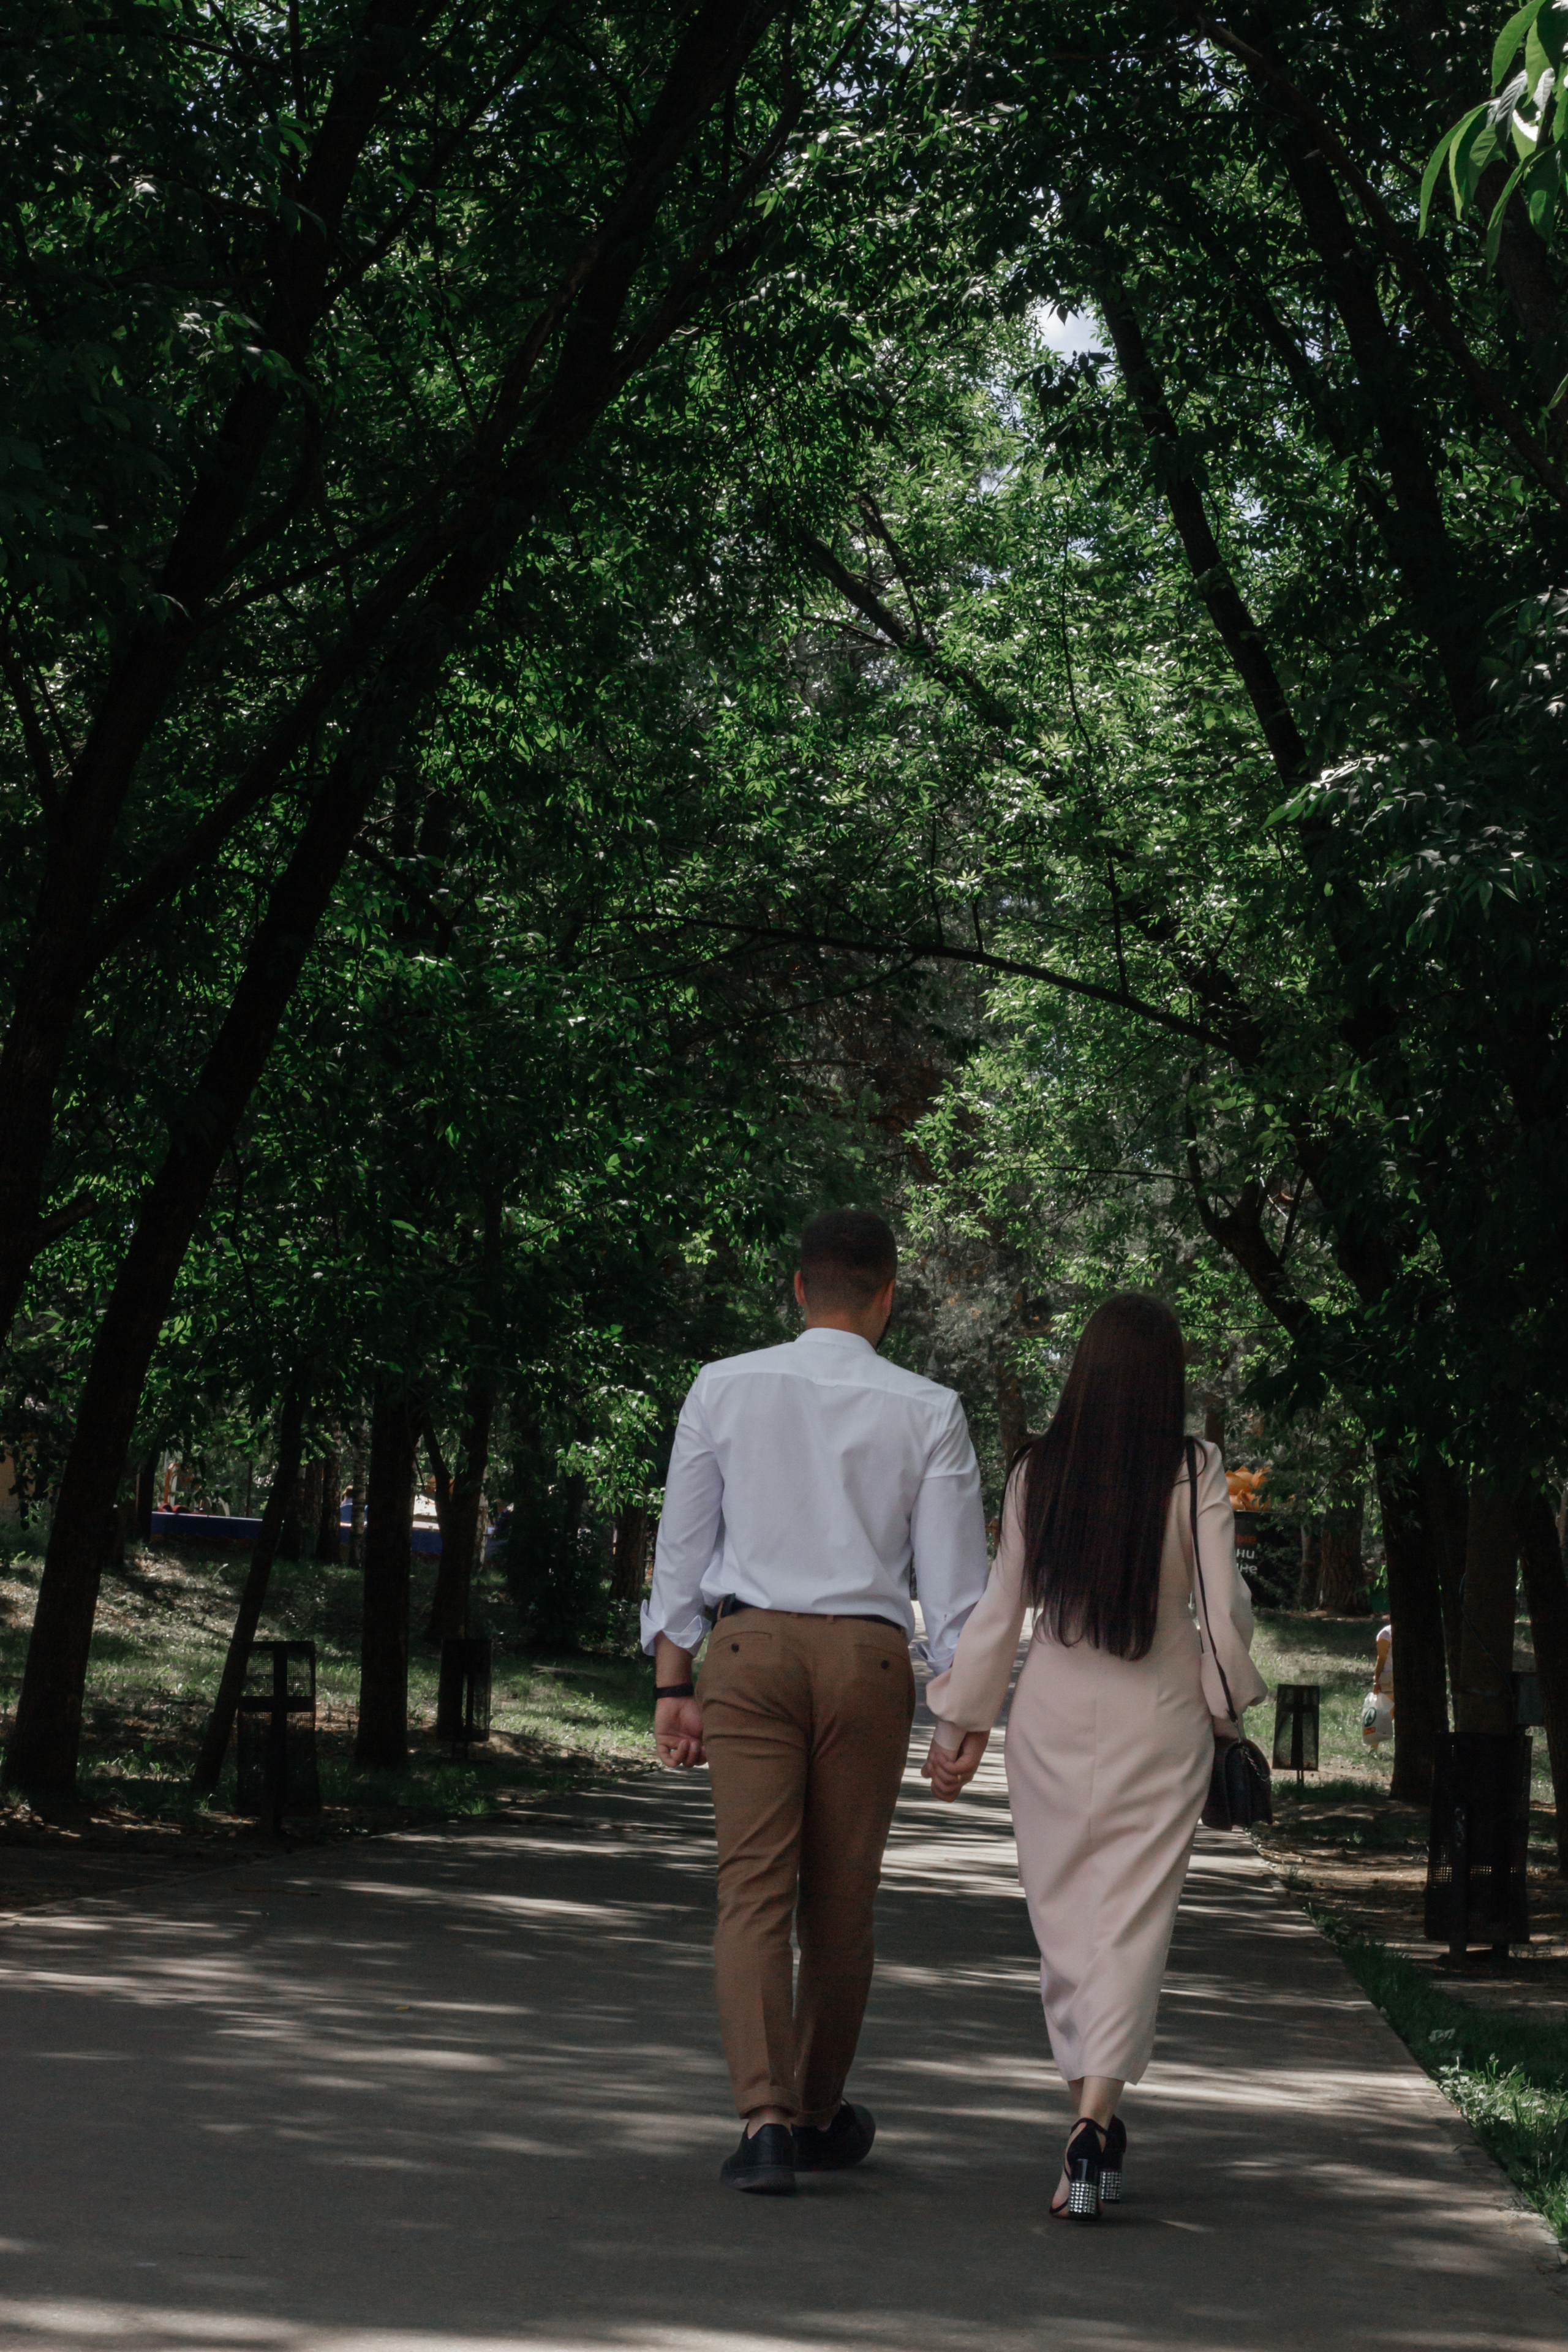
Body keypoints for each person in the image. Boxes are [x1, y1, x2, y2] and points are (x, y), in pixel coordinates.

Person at [644, 1208, 990, 2197]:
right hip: (869, 1662)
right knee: (840, 1903)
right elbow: (956, 1588)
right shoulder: (930, 1408)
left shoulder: (724, 1385)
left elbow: (682, 1551)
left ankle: (762, 2125)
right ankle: (817, 2110)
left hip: (748, 1650)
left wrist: (675, 1681)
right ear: (889, 1295)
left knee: (752, 1889)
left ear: (799, 1289)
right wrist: (960, 1716)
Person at [921, 1291, 1267, 2222]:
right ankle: (1094, 2116)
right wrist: (1231, 1714)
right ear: (1167, 1378)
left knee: (1067, 1921)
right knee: (1133, 1922)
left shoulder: (1041, 1470)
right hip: (1160, 1714)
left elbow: (1001, 1613)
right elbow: (1222, 1607)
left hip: (1053, 1713)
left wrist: (956, 1725)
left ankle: (1088, 2109)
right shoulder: (1192, 1469)